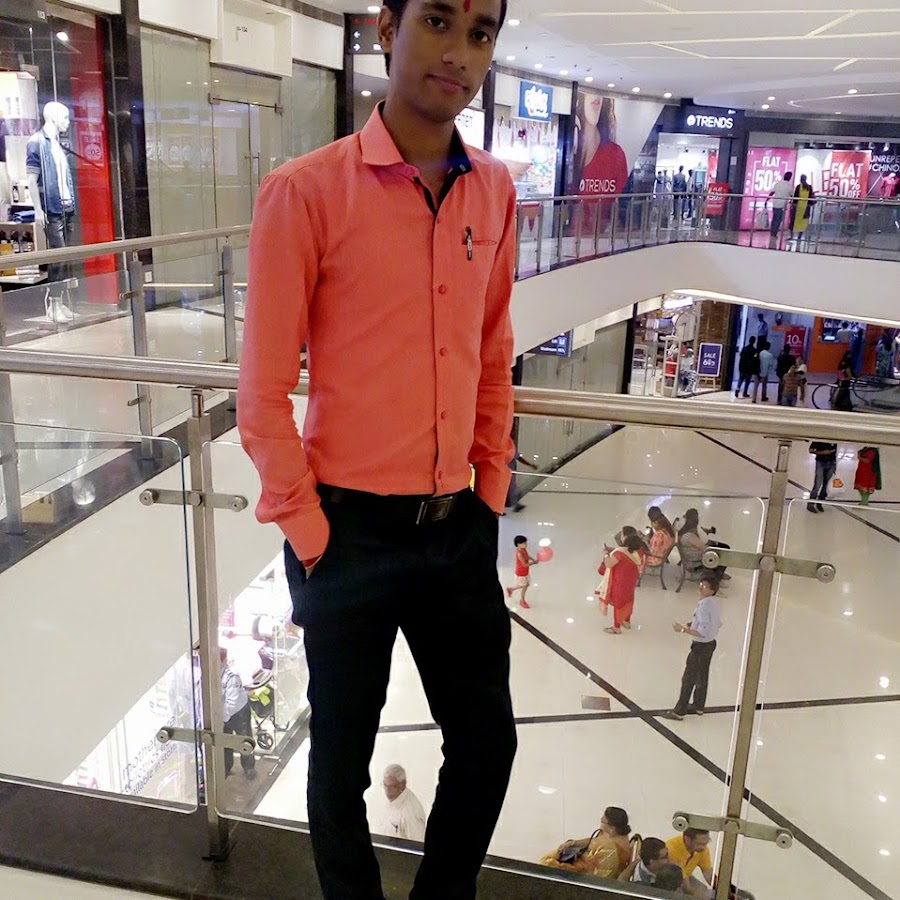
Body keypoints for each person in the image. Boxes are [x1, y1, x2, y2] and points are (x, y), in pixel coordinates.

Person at [236, 2, 518, 898]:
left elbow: (493, 351)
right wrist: (310, 532)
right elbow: (261, 392)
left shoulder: (494, 190)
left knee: (488, 743)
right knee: (341, 765)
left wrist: (491, 491)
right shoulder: (306, 191)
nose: (459, 52)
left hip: (456, 527)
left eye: (481, 33)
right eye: (437, 21)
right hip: (345, 534)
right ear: (387, 29)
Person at [662, 577, 723, 721]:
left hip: (700, 646)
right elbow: (717, 623)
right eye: (701, 585)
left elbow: (703, 631)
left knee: (689, 678)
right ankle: (698, 705)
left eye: (705, 587)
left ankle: (679, 711)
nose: (700, 588)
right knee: (702, 675)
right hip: (710, 644)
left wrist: (683, 630)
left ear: (712, 591)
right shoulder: (714, 604)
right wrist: (694, 624)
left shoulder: (703, 607)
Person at [543, 807, 637, 879]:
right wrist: (573, 843)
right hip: (587, 862)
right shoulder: (613, 833)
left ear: (612, 828)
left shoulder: (611, 849)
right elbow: (594, 841)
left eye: (603, 821)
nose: (601, 819)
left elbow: (599, 877)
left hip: (586, 875)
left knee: (549, 864)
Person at [220, 647, 257, 779]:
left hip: (239, 712)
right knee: (225, 742)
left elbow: (232, 702)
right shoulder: (211, 673)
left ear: (224, 660)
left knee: (244, 740)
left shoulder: (232, 676)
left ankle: (249, 767)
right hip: (223, 713)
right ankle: (226, 768)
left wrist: (222, 719)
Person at [598, 532, 644, 634]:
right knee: (628, 601)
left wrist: (605, 554)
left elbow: (609, 564)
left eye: (623, 535)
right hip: (631, 581)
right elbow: (626, 553)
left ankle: (616, 628)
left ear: (626, 540)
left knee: (618, 603)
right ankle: (626, 621)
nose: (621, 536)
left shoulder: (619, 554)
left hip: (620, 582)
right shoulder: (637, 552)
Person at [374, 764, 428, 842]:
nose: (387, 790)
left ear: (402, 784)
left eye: (391, 786)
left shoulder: (411, 811)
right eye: (385, 785)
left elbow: (418, 845)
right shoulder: (388, 799)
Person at [677, 509, 731, 581]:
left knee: (722, 548)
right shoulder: (690, 536)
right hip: (694, 561)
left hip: (691, 557)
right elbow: (705, 548)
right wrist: (714, 548)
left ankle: (718, 575)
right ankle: (716, 579)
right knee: (722, 554)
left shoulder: (683, 531)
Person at [666, 829, 715, 897]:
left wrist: (723, 889)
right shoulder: (672, 848)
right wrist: (698, 895)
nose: (703, 848)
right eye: (699, 844)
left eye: (706, 843)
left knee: (704, 889)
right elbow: (686, 887)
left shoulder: (703, 850)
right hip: (671, 879)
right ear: (687, 839)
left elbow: (708, 873)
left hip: (686, 875)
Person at [507, 535, 539, 609]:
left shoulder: (523, 549)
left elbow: (527, 556)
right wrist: (533, 563)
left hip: (525, 572)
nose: (526, 544)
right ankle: (522, 600)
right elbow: (524, 565)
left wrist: (532, 559)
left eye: (526, 543)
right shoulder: (519, 553)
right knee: (524, 585)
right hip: (521, 573)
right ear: (518, 544)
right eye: (524, 543)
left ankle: (511, 589)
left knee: (526, 584)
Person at [807, 441, 838, 513]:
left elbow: (834, 450)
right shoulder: (819, 440)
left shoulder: (834, 438)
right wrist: (821, 452)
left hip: (831, 463)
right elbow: (811, 450)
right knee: (818, 484)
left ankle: (820, 503)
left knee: (826, 485)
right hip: (820, 462)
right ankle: (810, 504)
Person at [789, 173, 815, 250]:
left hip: (798, 208)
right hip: (806, 208)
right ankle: (799, 237)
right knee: (803, 224)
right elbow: (810, 197)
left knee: (793, 221)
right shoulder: (809, 187)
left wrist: (792, 205)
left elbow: (795, 198)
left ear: (800, 179)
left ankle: (791, 236)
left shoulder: (798, 187)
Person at [767, 171, 793, 243]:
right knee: (778, 220)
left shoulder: (778, 183)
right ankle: (774, 234)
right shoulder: (790, 186)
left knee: (774, 219)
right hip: (782, 205)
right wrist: (791, 201)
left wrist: (767, 199)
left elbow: (772, 192)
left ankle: (772, 232)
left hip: (775, 204)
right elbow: (792, 195)